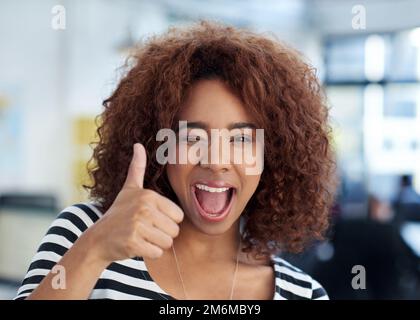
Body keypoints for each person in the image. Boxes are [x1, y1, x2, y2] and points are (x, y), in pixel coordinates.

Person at [15, 21, 336, 300]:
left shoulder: (302, 293)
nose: (216, 161)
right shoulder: (86, 232)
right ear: (160, 147)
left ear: (272, 156)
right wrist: (95, 249)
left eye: (241, 139)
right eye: (192, 137)